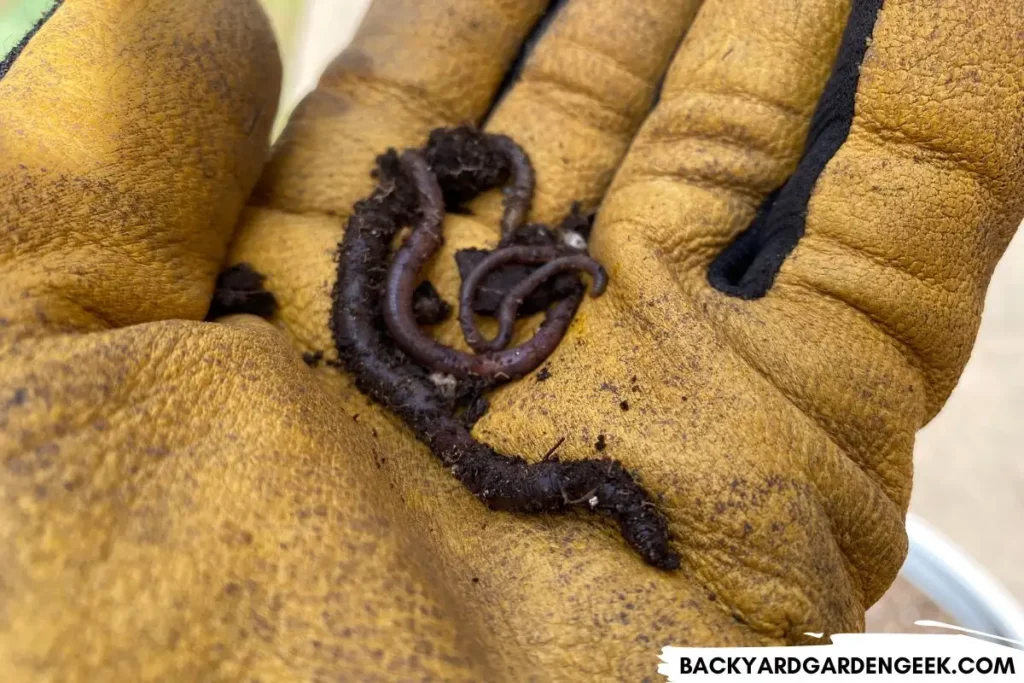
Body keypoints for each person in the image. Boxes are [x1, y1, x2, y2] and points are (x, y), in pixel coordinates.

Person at [1, 0, 1021, 679]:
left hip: (430, 311)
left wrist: (513, 269)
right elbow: (445, 328)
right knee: (424, 323)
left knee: (428, 320)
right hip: (422, 320)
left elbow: (450, 327)